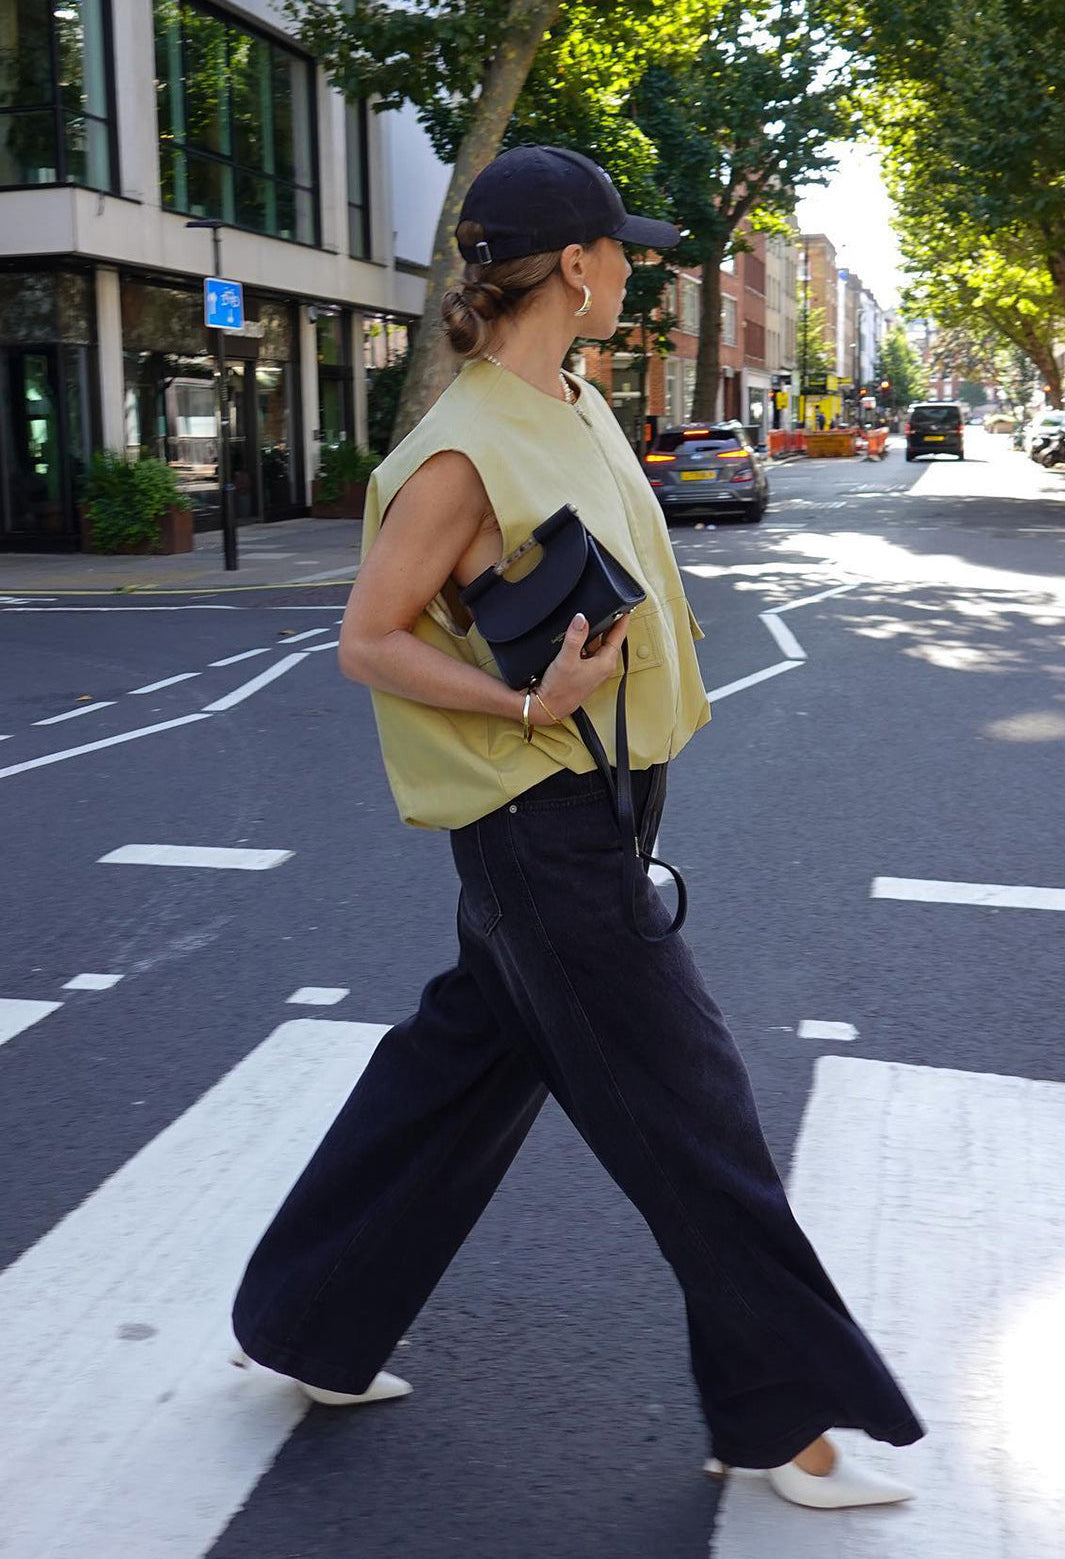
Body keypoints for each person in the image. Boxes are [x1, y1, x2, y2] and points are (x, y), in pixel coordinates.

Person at [229, 145, 924, 1513]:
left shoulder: (580, 402)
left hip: (596, 807)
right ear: (577, 267)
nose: (638, 273)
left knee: (455, 1077)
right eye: (624, 254)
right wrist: (521, 700)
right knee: (694, 1115)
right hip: (539, 830)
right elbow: (367, 641)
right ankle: (782, 1416)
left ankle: (309, 1323)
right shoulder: (458, 448)